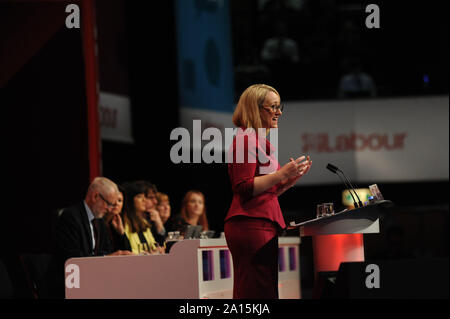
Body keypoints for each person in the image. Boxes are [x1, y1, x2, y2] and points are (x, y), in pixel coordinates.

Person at [224, 84, 312, 299]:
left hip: (259, 222)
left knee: (261, 290)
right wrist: (281, 175)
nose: (279, 112)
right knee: (257, 291)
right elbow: (243, 187)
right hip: (250, 225)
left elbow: (265, 193)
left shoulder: (257, 140)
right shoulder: (246, 139)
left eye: (279, 106)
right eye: (273, 107)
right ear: (255, 109)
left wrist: (289, 179)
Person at [56, 177, 134, 261]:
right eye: (108, 204)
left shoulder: (99, 220)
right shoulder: (71, 217)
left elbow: (110, 250)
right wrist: (106, 257)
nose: (110, 209)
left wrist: (121, 233)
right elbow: (74, 256)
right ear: (95, 196)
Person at [122, 181, 162, 254]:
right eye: (139, 197)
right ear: (130, 200)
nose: (144, 200)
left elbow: (153, 245)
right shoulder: (123, 222)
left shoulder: (144, 222)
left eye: (144, 197)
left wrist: (157, 250)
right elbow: (127, 251)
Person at [103, 185, 132, 252]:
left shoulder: (116, 223)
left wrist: (121, 232)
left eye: (119, 200)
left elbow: (128, 252)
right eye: (114, 199)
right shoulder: (98, 222)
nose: (116, 203)